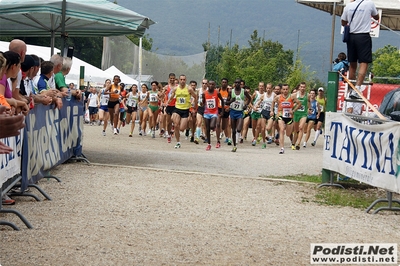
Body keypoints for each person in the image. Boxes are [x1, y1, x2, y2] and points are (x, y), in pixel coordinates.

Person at [341, 0, 379, 98]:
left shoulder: (348, 6)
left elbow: (343, 22)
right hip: (363, 36)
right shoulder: (369, 3)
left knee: (352, 63)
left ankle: (351, 89)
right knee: (364, 62)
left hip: (351, 37)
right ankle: (357, 88)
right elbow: (376, 16)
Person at [167, 74, 197, 149]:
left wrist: (194, 104)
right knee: (176, 125)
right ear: (179, 80)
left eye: (184, 79)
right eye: (181, 79)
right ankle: (178, 142)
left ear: (185, 80)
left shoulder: (189, 89)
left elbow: (195, 96)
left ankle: (178, 127)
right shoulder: (176, 88)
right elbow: (171, 96)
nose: (182, 81)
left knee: (181, 129)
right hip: (177, 108)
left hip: (185, 110)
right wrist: (168, 101)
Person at [271, 84, 302, 154]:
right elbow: (273, 102)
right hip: (281, 116)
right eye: (283, 89)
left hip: (289, 117)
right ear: (281, 90)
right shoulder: (278, 97)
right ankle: (282, 148)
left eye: (286, 89)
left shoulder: (292, 96)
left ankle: (289, 138)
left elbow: (299, 103)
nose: (285, 91)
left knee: (288, 134)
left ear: (288, 89)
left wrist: (293, 111)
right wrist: (272, 111)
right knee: (281, 130)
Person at [225, 78, 251, 152]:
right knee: (233, 130)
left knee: (239, 129)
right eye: (236, 83)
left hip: (240, 112)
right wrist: (231, 101)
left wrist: (246, 105)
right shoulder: (231, 91)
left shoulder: (244, 91)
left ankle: (236, 140)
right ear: (234, 83)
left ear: (241, 84)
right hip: (233, 112)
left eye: (238, 83)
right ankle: (234, 145)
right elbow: (226, 102)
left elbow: (249, 98)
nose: (237, 84)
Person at [202, 80, 224, 150]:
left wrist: (222, 110)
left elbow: (222, 101)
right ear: (208, 85)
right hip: (206, 113)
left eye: (213, 84)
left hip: (214, 112)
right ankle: (209, 144)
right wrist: (202, 104)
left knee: (212, 126)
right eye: (210, 84)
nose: (211, 86)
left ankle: (218, 140)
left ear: (214, 85)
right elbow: (203, 102)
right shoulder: (204, 93)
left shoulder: (217, 92)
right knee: (207, 129)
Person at [293, 82, 309, 150]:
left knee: (301, 127)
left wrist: (309, 109)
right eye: (301, 87)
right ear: (299, 87)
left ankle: (298, 143)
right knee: (296, 130)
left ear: (305, 88)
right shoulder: (295, 95)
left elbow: (309, 103)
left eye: (304, 87)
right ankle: (294, 142)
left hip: (303, 114)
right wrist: (293, 106)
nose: (302, 88)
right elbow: (291, 102)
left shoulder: (307, 95)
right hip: (296, 114)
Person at [162, 73, 177, 143]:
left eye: (173, 78)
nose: (172, 79)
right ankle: (169, 135)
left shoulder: (177, 87)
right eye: (171, 78)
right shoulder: (166, 87)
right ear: (169, 79)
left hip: (176, 105)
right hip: (168, 105)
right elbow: (161, 95)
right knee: (168, 122)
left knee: (174, 119)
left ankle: (173, 127)